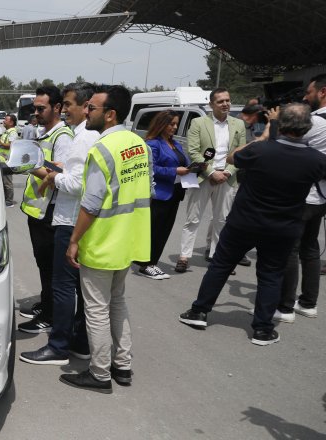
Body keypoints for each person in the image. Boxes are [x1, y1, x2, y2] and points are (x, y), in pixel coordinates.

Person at [179, 103, 326, 346]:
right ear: (307, 127)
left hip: (243, 222)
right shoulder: (316, 160)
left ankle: (199, 312)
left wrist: (267, 134)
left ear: (281, 125)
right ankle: (262, 329)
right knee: (270, 274)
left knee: (221, 265)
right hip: (283, 226)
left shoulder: (260, 150)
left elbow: (231, 157)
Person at [61, 85, 152, 393]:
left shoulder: (101, 149)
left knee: (97, 308)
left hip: (103, 241)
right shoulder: (138, 144)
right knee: (118, 302)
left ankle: (99, 373)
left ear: (110, 115)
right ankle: (122, 366)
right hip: (129, 238)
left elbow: (91, 203)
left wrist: (74, 240)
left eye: (92, 109)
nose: (86, 112)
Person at [19, 82, 98, 365]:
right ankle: (74, 337)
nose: (65, 110)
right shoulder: (73, 135)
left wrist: (49, 174)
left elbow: (76, 181)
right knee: (58, 277)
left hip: (64, 217)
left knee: (65, 283)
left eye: (67, 105)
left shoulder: (76, 137)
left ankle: (59, 340)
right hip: (56, 214)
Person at [17, 86, 74, 334]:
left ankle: (49, 316)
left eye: (41, 108)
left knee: (51, 266)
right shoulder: (44, 133)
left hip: (50, 211)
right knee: (43, 263)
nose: (36, 112)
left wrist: (31, 164)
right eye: (35, 108)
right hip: (37, 211)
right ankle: (46, 303)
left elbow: (61, 175)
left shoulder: (63, 137)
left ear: (57, 108)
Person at [175, 88, 247, 273]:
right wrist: (212, 173)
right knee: (193, 218)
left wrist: (228, 173)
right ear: (211, 104)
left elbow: (241, 153)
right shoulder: (199, 122)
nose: (225, 104)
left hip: (227, 178)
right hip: (204, 176)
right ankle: (184, 257)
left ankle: (217, 257)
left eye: (228, 100)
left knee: (221, 220)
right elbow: (193, 151)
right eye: (220, 101)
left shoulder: (238, 124)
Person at [277, 74, 326, 321]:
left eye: (309, 92)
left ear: (323, 92)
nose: (306, 97)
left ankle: (284, 307)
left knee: (290, 249)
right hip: (321, 195)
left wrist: (276, 122)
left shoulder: (314, 122)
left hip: (302, 195)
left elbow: (286, 143)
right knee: (311, 248)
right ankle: (308, 303)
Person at [135, 111, 190, 279]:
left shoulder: (176, 144)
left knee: (164, 230)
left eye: (176, 124)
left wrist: (194, 168)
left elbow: (184, 162)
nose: (174, 127)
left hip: (175, 193)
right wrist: (174, 171)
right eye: (171, 124)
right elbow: (151, 168)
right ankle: (146, 264)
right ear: (161, 124)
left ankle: (153, 262)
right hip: (159, 194)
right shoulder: (153, 144)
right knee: (154, 230)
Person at [0, 114, 19, 206]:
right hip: (3, 160)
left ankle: (9, 202)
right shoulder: (7, 132)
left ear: (11, 122)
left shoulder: (13, 132)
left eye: (6, 120)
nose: (3, 121)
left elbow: (11, 145)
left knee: (7, 182)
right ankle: (5, 199)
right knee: (3, 181)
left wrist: (0, 143)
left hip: (8, 161)